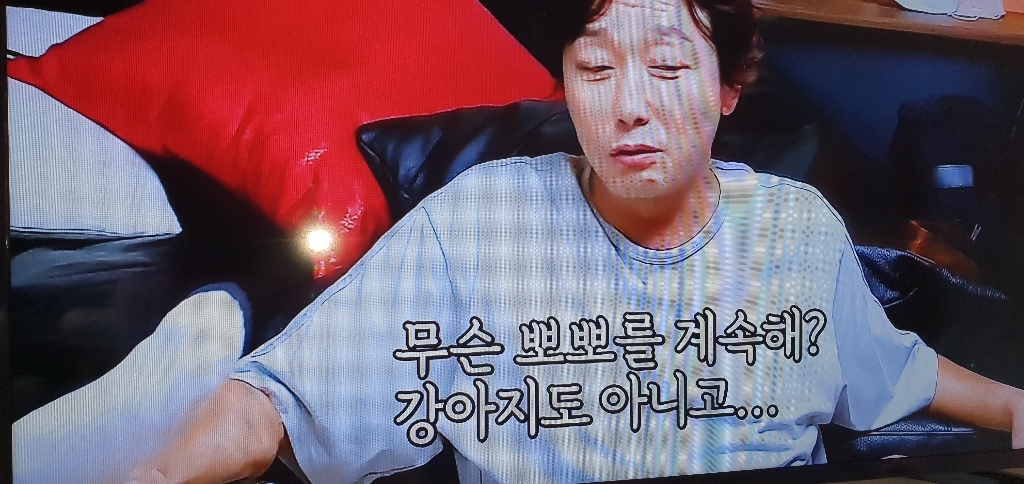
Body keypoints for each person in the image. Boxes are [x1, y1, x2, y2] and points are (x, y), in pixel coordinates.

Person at [14, 0, 1022, 483]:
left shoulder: (795, 228)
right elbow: (276, 400)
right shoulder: (480, 223)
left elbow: (882, 362)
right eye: (596, 68)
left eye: (669, 68)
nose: (629, 107)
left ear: (728, 88)